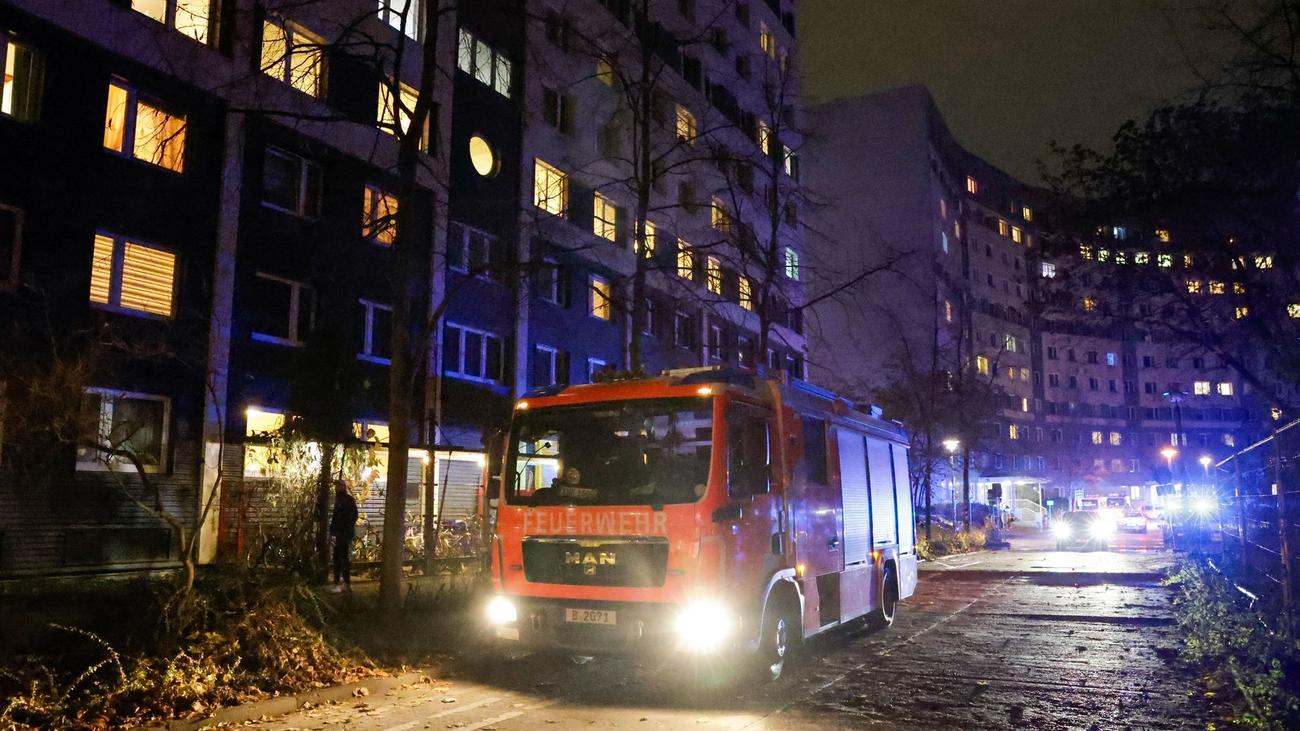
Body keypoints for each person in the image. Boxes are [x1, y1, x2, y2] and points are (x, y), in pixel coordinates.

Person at [329, 480, 358, 592]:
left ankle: (340, 584)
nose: (336, 488)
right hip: (343, 533)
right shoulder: (342, 500)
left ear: (342, 487)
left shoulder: (345, 500)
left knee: (340, 558)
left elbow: (351, 517)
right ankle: (345, 583)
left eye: (338, 486)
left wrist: (340, 529)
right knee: (343, 558)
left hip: (343, 534)